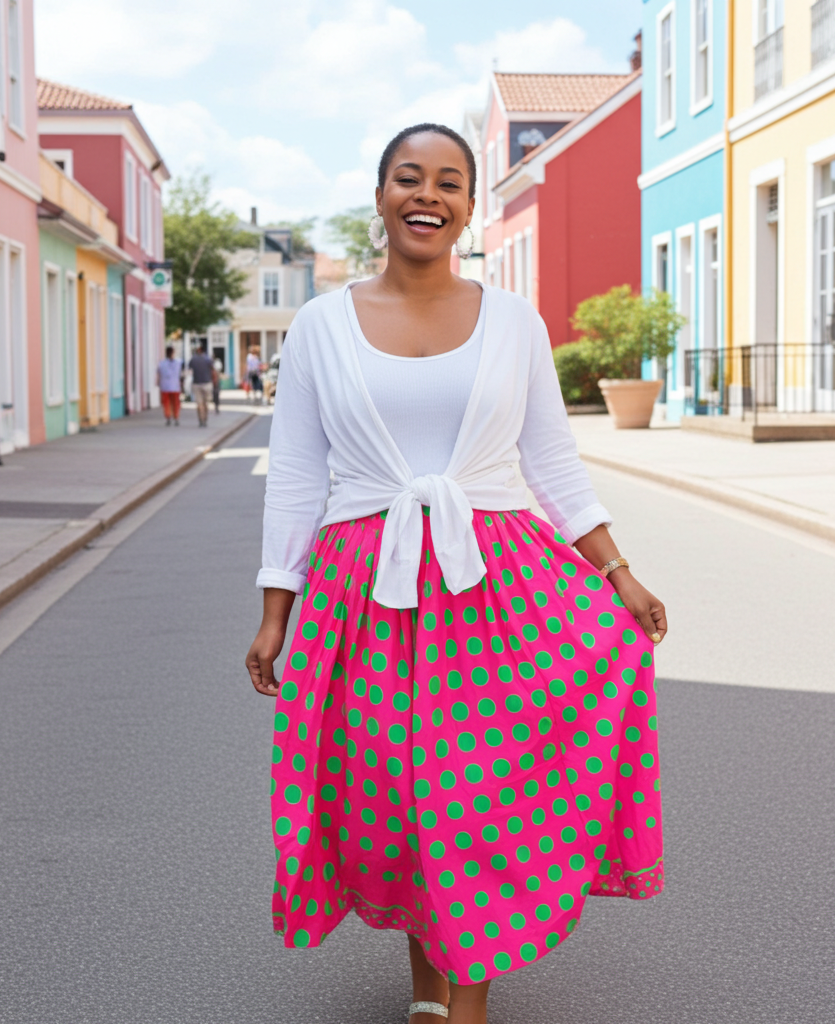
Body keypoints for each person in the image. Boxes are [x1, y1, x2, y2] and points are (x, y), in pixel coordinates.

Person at [246, 124, 667, 1024]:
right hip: (365, 587)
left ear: (470, 207)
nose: (426, 195)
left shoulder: (514, 320)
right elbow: (293, 471)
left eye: (447, 181)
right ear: (380, 196)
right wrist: (275, 610)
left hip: (499, 584)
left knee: (472, 794)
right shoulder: (320, 325)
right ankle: (427, 987)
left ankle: (461, 1003)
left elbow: (551, 461)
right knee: (398, 792)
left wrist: (617, 571)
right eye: (408, 178)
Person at [188, 344, 214, 427]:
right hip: (207, 383)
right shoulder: (208, 359)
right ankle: (205, 419)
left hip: (196, 383)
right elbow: (212, 370)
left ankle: (201, 419)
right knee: (205, 403)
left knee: (199, 404)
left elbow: (189, 370)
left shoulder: (193, 359)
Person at [156, 345, 183, 426]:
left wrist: (158, 383)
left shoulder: (162, 363)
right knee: (175, 403)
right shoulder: (178, 362)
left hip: (165, 386)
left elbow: (158, 374)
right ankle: (176, 417)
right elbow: (181, 374)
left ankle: (168, 417)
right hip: (175, 386)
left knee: (167, 403)